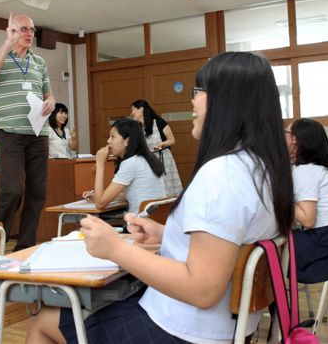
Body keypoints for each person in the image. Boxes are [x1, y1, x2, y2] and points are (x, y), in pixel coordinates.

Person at [27, 52, 294, 344]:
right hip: (229, 329)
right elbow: (227, 242)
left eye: (199, 91)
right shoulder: (262, 169)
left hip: (182, 330)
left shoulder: (224, 174)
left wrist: (115, 248)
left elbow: (202, 289)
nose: (192, 101)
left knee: (45, 320)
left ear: (227, 101)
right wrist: (167, 233)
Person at [0, 13, 55, 251]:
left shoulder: (39, 62)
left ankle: (24, 246)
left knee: (37, 192)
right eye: (24, 29)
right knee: (12, 190)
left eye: (32, 30)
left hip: (38, 134)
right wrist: (7, 44)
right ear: (11, 30)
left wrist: (51, 101)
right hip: (10, 133)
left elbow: (47, 93)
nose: (29, 34)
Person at [285, 118, 328, 284]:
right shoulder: (320, 167)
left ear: (295, 140)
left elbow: (307, 219)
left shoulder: (305, 170)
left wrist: (280, 196)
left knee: (275, 250)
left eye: (286, 132)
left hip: (325, 235)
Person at [82, 118, 165, 214]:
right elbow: (131, 194)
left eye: (113, 136)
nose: (108, 141)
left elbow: (100, 204)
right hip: (156, 221)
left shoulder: (130, 163)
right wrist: (96, 196)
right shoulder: (147, 158)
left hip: (140, 224)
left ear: (127, 141)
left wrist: (100, 164)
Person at [130, 99, 183, 196]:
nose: (131, 113)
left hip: (164, 160)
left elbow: (172, 140)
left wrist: (161, 144)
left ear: (141, 109)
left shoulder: (159, 122)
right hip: (148, 161)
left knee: (167, 187)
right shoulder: (138, 127)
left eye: (132, 110)